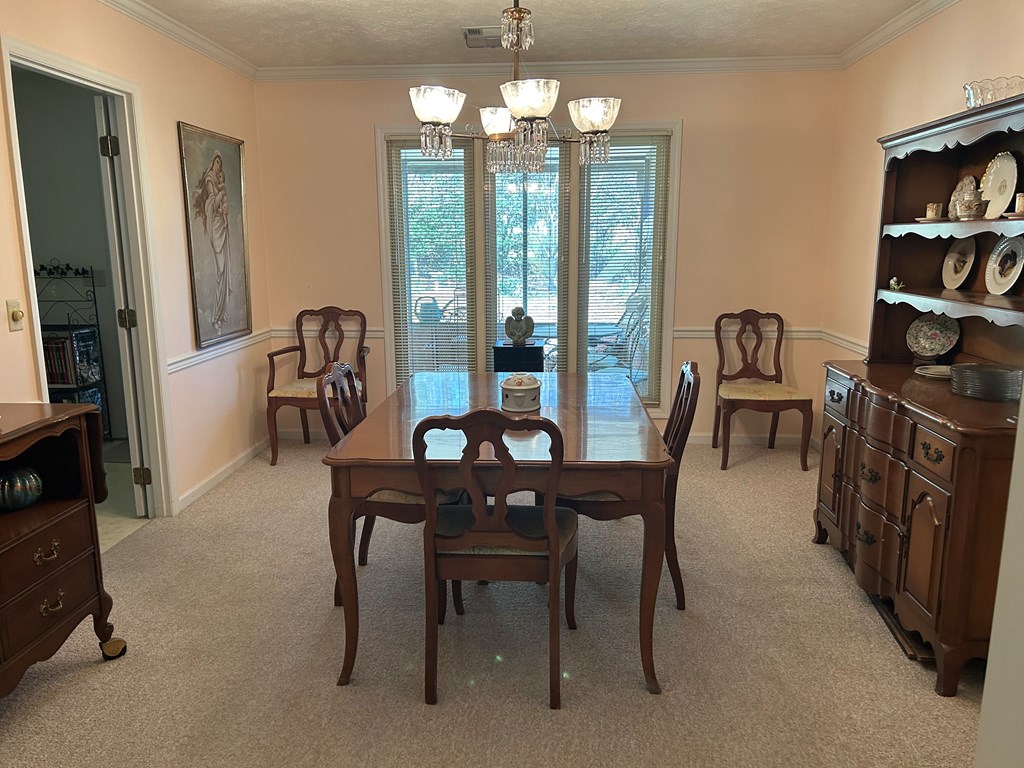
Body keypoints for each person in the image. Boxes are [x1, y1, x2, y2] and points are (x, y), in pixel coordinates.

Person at [193, 151, 231, 330]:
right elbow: (213, 204)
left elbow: (224, 207)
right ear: (213, 163)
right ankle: (216, 314)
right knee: (219, 269)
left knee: (223, 272)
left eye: (220, 164)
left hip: (221, 226)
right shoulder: (210, 181)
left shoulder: (219, 183)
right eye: (217, 163)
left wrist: (224, 206)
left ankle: (221, 314)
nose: (219, 167)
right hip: (215, 227)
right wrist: (221, 193)